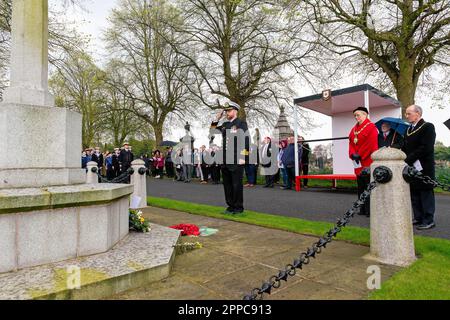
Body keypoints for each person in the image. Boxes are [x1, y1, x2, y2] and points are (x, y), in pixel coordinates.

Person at [210, 101, 249, 214]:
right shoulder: (225, 125)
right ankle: (230, 206)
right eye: (226, 111)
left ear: (235, 111)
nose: (227, 113)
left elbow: (246, 141)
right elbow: (212, 130)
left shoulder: (241, 124)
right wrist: (217, 118)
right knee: (227, 184)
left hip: (237, 159)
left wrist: (243, 157)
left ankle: (238, 208)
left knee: (237, 185)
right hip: (225, 159)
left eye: (229, 110)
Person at [402, 105, 437, 230]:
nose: (407, 116)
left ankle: (428, 220)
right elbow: (405, 147)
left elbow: (425, 147)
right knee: (414, 193)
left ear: (417, 113)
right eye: (406, 113)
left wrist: (408, 159)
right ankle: (418, 217)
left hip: (424, 167)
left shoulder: (428, 127)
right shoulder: (408, 130)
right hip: (412, 167)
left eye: (409, 113)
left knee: (425, 193)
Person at [348, 107, 379, 217]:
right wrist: (352, 154)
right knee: (360, 186)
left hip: (367, 161)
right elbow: (351, 143)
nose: (356, 117)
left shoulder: (371, 127)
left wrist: (360, 155)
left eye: (358, 115)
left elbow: (371, 144)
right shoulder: (354, 129)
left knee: (368, 186)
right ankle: (362, 208)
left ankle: (369, 210)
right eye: (355, 116)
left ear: (365, 114)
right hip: (358, 163)